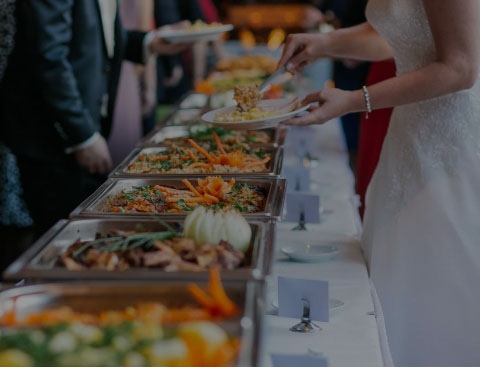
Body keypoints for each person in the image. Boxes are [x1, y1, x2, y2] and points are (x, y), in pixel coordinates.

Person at [277, 1, 480, 366]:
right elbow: (396, 37)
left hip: (448, 145)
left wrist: (356, 100)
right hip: (409, 137)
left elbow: (461, 67)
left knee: (438, 285)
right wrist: (323, 43)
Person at [0, 0, 190, 250]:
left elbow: (96, 39)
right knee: (61, 244)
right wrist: (83, 136)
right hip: (51, 135)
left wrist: (149, 42)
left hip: (77, 125)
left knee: (88, 240)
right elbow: (48, 57)